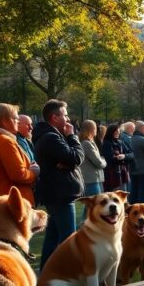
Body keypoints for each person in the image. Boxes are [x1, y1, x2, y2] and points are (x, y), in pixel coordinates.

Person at [33, 99, 84, 269]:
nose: (68, 119)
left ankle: (46, 271)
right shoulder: (51, 137)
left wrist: (69, 162)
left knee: (53, 235)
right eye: (65, 115)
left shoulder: (50, 135)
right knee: (69, 238)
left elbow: (71, 159)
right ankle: (65, 273)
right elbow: (76, 157)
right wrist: (72, 136)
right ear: (54, 117)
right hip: (61, 194)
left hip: (56, 193)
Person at [0, 103, 39, 206]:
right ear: (5, 122)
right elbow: (19, 175)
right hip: (15, 202)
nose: (17, 121)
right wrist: (34, 173)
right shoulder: (6, 141)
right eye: (15, 118)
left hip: (1, 199)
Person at [78, 119, 106, 198]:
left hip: (93, 179)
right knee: (93, 205)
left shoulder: (89, 142)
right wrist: (104, 161)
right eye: (95, 128)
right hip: (91, 180)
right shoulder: (87, 143)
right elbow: (98, 162)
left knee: (91, 206)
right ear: (91, 129)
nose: (96, 130)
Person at [102, 123, 133, 191]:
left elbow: (132, 154)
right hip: (112, 174)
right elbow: (109, 159)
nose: (117, 133)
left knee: (123, 195)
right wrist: (119, 158)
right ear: (111, 132)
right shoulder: (106, 143)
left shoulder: (120, 142)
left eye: (118, 132)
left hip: (123, 173)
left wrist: (124, 156)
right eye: (116, 132)